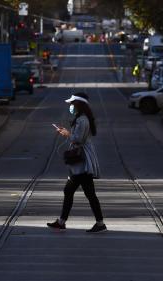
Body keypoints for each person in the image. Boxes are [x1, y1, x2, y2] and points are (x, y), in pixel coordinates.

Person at [47, 93, 106, 233]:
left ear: (79, 105)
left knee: (73, 191)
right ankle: (98, 223)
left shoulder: (82, 120)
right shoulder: (83, 118)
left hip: (82, 161)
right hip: (82, 160)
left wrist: (67, 133)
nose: (70, 106)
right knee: (85, 193)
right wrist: (67, 133)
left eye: (72, 104)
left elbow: (78, 139)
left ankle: (97, 223)